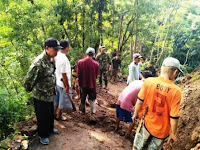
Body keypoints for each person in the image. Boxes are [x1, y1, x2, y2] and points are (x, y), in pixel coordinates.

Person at [132, 57, 183, 150]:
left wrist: (135, 114)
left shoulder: (149, 82)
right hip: (162, 132)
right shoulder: (176, 91)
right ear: (175, 72)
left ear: (161, 68)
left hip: (147, 124)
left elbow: (139, 101)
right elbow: (174, 116)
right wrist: (173, 134)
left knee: (136, 147)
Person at [24, 37, 62, 145]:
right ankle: (43, 135)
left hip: (49, 93)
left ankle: (50, 129)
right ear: (47, 48)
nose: (57, 51)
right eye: (55, 49)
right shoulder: (39, 62)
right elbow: (29, 79)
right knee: (42, 116)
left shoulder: (51, 58)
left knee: (50, 113)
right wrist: (29, 89)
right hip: (40, 95)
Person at [115, 70, 153, 140]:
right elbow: (141, 100)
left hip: (120, 98)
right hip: (127, 102)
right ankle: (128, 134)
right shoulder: (145, 86)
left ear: (142, 76)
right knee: (134, 117)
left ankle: (116, 127)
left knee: (118, 114)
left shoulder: (135, 81)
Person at [77, 47, 100, 120]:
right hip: (92, 84)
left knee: (83, 97)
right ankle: (92, 114)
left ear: (86, 54)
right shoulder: (96, 64)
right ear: (93, 54)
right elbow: (96, 75)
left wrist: (79, 83)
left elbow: (78, 74)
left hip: (82, 84)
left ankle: (82, 109)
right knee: (92, 99)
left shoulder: (80, 62)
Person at [54, 40, 73, 121]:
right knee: (62, 101)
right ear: (67, 48)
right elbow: (64, 74)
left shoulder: (56, 55)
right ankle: (59, 115)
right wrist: (67, 86)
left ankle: (53, 113)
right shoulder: (64, 59)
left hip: (57, 81)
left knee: (56, 99)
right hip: (62, 83)